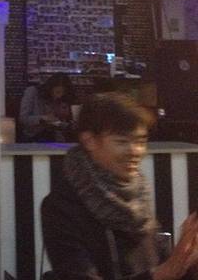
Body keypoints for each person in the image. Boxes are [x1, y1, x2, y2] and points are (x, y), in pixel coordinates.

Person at [41, 93, 198, 280]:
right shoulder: (61, 206)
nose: (135, 151)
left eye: (140, 142)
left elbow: (162, 268)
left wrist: (188, 263)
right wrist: (163, 273)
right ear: (90, 141)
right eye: (122, 142)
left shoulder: (135, 195)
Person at [19, 72, 73, 141]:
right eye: (57, 92)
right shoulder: (32, 92)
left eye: (63, 93)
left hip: (53, 138)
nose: (59, 96)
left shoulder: (58, 100)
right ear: (50, 87)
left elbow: (56, 123)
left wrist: (66, 123)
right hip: (32, 137)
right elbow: (23, 119)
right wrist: (43, 118)